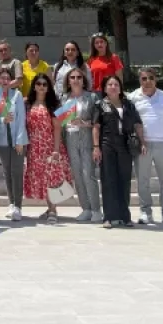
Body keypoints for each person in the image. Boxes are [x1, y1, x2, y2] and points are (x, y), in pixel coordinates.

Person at [129, 69, 163, 227]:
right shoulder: (132, 98)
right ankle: (145, 212)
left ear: (156, 80)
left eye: (151, 78)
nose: (147, 81)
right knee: (142, 180)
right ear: (140, 80)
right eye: (144, 78)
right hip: (142, 145)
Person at [92, 75, 144, 228]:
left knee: (124, 180)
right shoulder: (100, 105)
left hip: (125, 145)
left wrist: (143, 142)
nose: (113, 87)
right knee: (108, 180)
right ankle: (108, 217)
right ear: (105, 88)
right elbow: (96, 127)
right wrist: (96, 147)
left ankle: (124, 216)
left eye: (116, 84)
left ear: (120, 88)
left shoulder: (128, 104)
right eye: (110, 84)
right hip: (107, 145)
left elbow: (137, 124)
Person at [23, 74, 75, 225]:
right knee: (42, 178)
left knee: (52, 178)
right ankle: (49, 207)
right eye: (38, 84)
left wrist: (56, 150)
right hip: (34, 147)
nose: (41, 87)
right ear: (34, 86)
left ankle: (53, 209)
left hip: (50, 145)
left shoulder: (53, 104)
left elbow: (57, 128)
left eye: (45, 84)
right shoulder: (27, 103)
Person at [61, 67, 102, 223]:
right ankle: (85, 208)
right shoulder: (64, 98)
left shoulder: (91, 97)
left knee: (88, 174)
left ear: (84, 80)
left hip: (87, 138)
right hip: (70, 138)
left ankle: (96, 209)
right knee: (77, 175)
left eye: (79, 77)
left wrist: (84, 123)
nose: (76, 80)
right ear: (68, 80)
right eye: (72, 77)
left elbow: (98, 120)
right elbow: (61, 121)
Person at [0, 67, 27, 221]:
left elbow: (21, 119)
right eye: (2, 78)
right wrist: (2, 121)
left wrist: (19, 141)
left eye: (8, 78)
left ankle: (18, 205)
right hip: (2, 141)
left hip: (17, 140)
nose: (5, 81)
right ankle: (11, 203)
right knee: (7, 172)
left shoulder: (17, 95)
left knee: (17, 172)